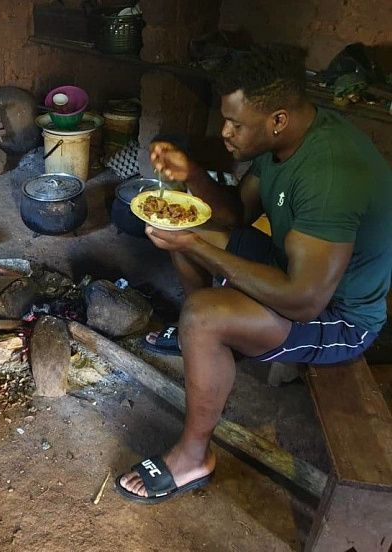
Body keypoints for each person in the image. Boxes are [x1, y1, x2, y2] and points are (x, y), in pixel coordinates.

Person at [116, 45, 392, 503]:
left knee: (203, 311)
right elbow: (236, 215)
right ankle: (211, 340)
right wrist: (193, 174)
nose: (225, 132)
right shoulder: (287, 139)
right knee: (184, 226)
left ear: (277, 119)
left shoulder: (328, 176)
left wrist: (197, 247)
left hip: (342, 317)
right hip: (293, 272)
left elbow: (305, 301)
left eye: (235, 124)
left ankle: (193, 457)